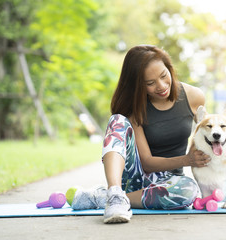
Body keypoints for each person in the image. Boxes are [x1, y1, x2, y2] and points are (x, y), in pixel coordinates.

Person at [69, 45, 211, 224]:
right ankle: (114, 192)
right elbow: (147, 163)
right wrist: (186, 160)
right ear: (138, 85)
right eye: (150, 83)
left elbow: (207, 134)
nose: (161, 86)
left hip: (169, 181)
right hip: (136, 176)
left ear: (169, 69)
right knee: (117, 120)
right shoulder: (134, 107)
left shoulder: (195, 97)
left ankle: (104, 198)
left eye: (163, 75)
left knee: (189, 191)